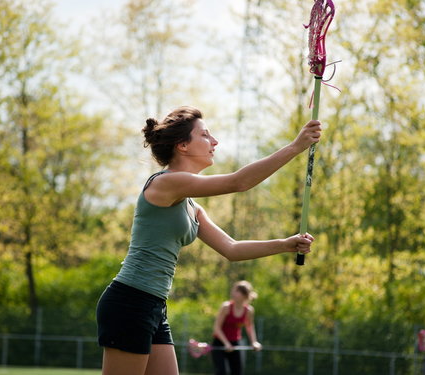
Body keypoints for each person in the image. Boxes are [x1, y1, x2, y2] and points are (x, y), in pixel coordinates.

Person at [96, 106, 321, 375]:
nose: (214, 142)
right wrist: (296, 147)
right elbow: (239, 182)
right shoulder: (166, 183)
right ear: (182, 145)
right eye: (205, 135)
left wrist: (286, 244)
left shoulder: (191, 206)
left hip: (154, 306)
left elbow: (232, 249)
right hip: (130, 302)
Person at [212, 281, 262, 375]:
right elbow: (216, 328)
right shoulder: (226, 307)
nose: (232, 293)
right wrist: (226, 343)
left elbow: (250, 326)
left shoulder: (249, 311)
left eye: (236, 291)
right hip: (219, 343)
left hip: (235, 344)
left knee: (237, 372)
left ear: (244, 295)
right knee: (222, 372)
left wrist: (254, 342)